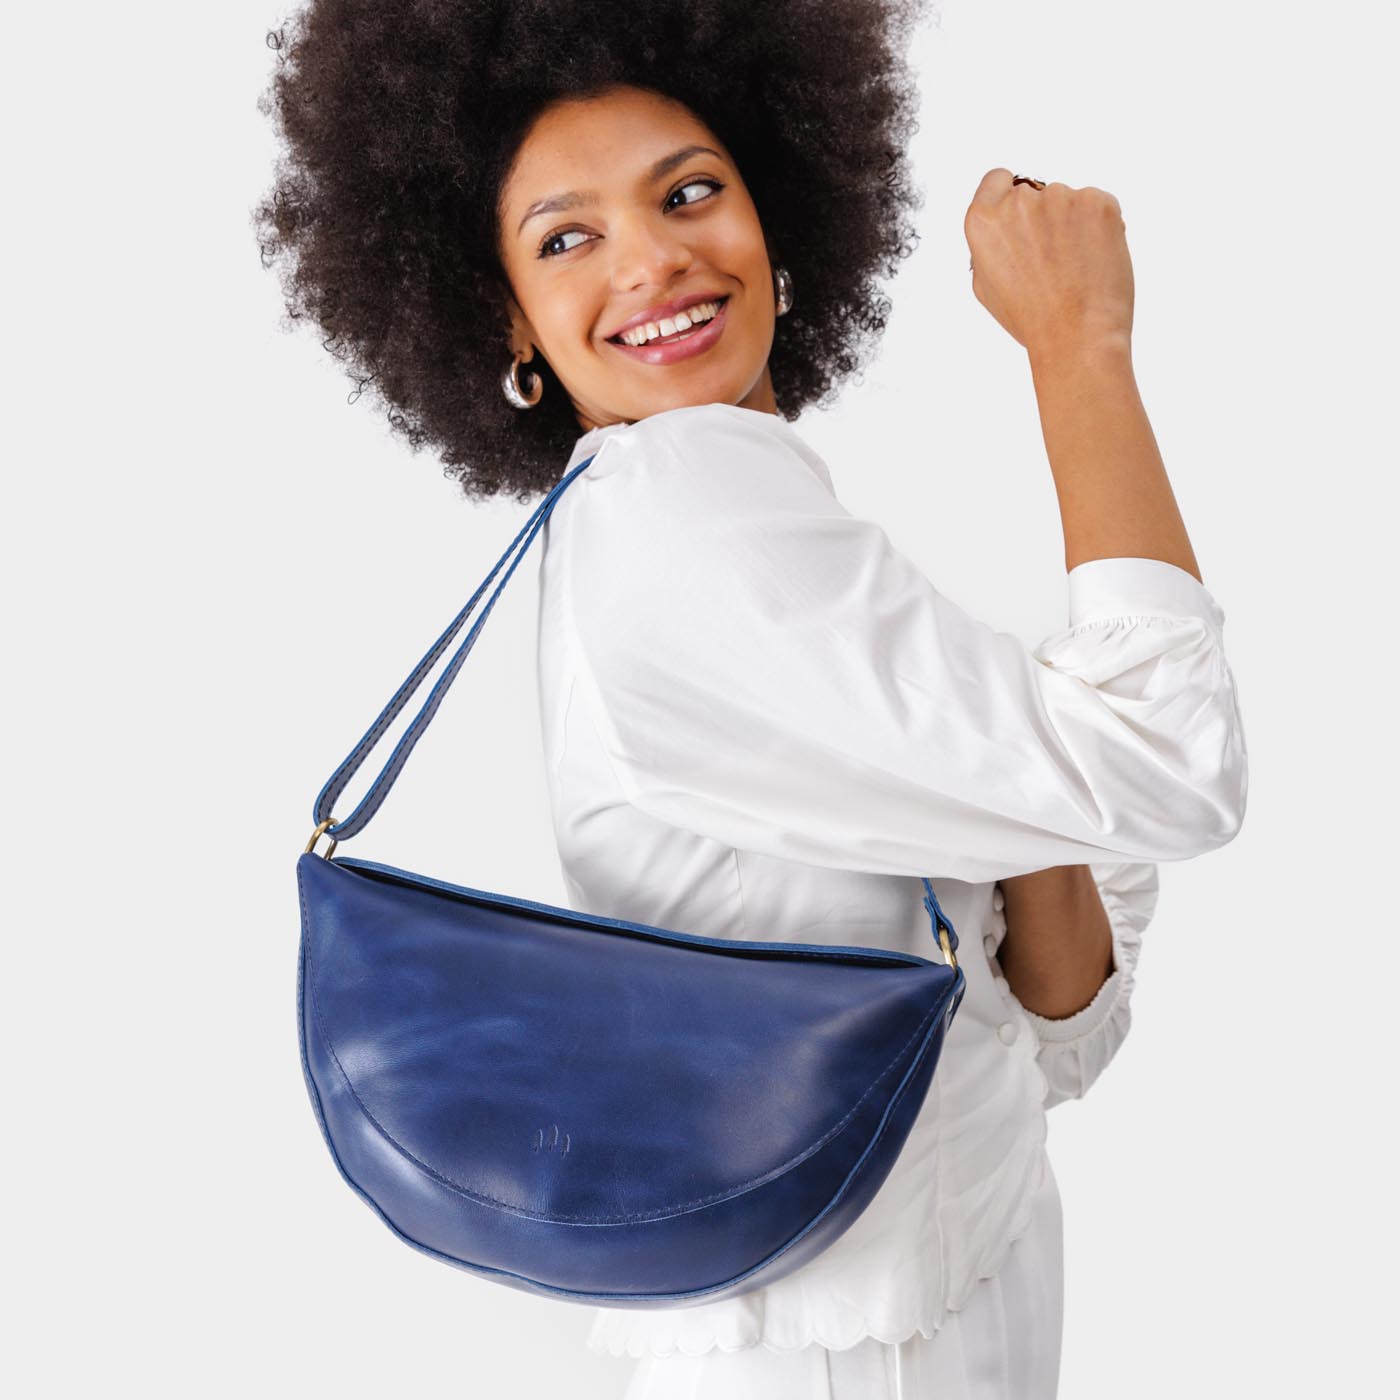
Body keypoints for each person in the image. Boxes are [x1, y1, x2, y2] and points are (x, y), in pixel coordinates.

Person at [255, 3, 1248, 1395]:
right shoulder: (677, 510)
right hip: (831, 1347)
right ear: (510, 321)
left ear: (776, 212)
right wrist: (1078, 344)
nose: (652, 258)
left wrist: (1017, 802)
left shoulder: (758, 520)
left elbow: (1059, 1032)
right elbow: (1172, 766)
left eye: (688, 193)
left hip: (949, 1293)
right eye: (565, 239)